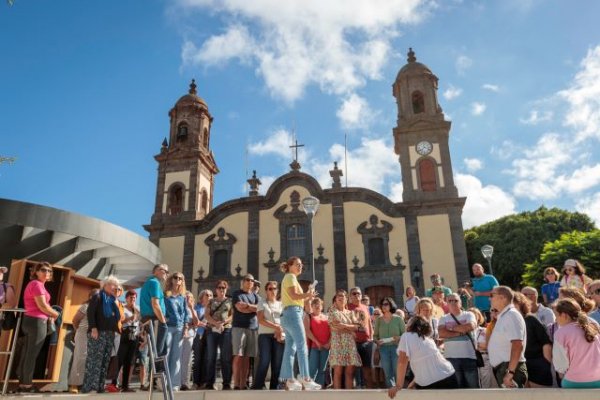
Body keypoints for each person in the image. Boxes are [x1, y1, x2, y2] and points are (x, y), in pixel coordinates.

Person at [16, 262, 60, 393]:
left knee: (28, 352)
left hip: (31, 321)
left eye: (49, 271)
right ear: (36, 271)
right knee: (32, 354)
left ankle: (23, 383)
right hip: (36, 322)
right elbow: (42, 306)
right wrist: (56, 314)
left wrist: (50, 314)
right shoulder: (36, 284)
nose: (47, 273)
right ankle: (27, 385)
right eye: (43, 270)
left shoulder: (36, 285)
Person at [387, 316, 457, 398]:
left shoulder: (406, 336)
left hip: (432, 383)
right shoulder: (429, 340)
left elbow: (402, 362)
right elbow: (427, 364)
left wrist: (398, 386)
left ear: (410, 325)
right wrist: (414, 382)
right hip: (449, 376)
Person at [278, 256, 320, 390]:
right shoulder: (290, 277)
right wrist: (307, 295)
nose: (300, 266)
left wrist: (308, 296)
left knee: (291, 348)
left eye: (301, 265)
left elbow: (300, 302)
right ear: (289, 266)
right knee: (302, 346)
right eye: (297, 264)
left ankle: (289, 379)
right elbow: (294, 296)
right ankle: (305, 377)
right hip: (292, 314)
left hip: (291, 314)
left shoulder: (291, 278)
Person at [81, 275, 122, 393]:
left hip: (109, 334)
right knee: (94, 359)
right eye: (113, 285)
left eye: (116, 285)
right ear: (105, 285)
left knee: (105, 360)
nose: (115, 287)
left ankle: (99, 386)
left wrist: (115, 300)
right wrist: (93, 327)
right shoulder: (97, 296)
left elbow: (118, 317)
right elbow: (90, 312)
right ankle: (90, 386)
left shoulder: (112, 300)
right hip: (98, 332)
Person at [552, 298, 600, 388]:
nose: (555, 320)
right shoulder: (594, 327)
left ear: (564, 315)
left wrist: (563, 376)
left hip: (574, 382)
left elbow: (560, 365)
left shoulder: (560, 333)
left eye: (556, 315)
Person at [487, 286, 527, 388]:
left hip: (510, 368)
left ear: (503, 298)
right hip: (506, 368)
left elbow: (517, 345)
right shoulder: (505, 315)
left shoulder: (511, 315)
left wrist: (510, 372)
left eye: (492, 295)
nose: (489, 298)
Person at [438, 293, 479, 388]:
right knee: (457, 388)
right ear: (447, 303)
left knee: (474, 388)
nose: (453, 302)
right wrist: (459, 332)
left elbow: (470, 326)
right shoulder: (443, 318)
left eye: (455, 300)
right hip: (451, 358)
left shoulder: (469, 314)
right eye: (450, 301)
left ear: (460, 303)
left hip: (469, 357)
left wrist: (450, 328)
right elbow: (441, 333)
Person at [513, 292, 552, 388]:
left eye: (513, 303)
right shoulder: (508, 322)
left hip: (537, 365)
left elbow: (545, 343)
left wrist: (546, 364)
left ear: (521, 304)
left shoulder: (531, 319)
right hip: (519, 366)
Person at [253, 281, 284, 390]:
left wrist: (280, 329)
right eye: (270, 289)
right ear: (266, 291)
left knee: (277, 363)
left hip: (278, 336)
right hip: (265, 336)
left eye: (274, 288)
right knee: (265, 361)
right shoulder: (262, 303)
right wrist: (276, 327)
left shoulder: (281, 304)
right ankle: (257, 386)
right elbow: (261, 320)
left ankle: (274, 388)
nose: (272, 291)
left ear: (277, 290)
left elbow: (284, 320)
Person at [328, 289, 362, 389]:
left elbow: (358, 327)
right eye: (339, 295)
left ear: (346, 299)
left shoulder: (351, 313)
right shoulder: (332, 311)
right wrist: (350, 329)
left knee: (350, 372)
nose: (341, 297)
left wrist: (344, 326)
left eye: (343, 296)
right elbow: (335, 326)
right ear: (335, 299)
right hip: (338, 343)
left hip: (350, 344)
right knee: (338, 371)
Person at [68, 288, 100, 393]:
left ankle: (84, 384)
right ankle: (74, 384)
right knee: (80, 359)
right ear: (91, 297)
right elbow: (75, 320)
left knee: (90, 360)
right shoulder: (85, 307)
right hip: (83, 334)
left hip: (94, 337)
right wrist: (79, 331)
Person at [231, 274, 260, 390]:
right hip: (239, 327)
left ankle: (243, 383)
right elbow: (238, 307)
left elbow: (258, 309)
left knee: (247, 357)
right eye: (247, 280)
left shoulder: (255, 296)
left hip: (252, 327)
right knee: (238, 355)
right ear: (243, 282)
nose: (250, 282)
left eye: (252, 280)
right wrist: (251, 308)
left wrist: (247, 306)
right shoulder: (237, 294)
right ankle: (236, 383)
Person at [204, 280, 233, 390]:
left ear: (226, 289)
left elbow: (232, 315)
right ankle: (210, 383)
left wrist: (223, 323)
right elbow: (206, 315)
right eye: (219, 287)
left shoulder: (230, 300)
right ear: (216, 289)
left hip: (226, 330)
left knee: (225, 357)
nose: (221, 289)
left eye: (223, 288)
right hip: (212, 330)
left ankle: (226, 383)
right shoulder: (211, 301)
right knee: (211, 357)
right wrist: (215, 323)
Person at [164, 272, 190, 391]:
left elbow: (185, 314)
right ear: (171, 280)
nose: (178, 280)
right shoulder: (165, 295)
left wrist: (186, 328)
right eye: (176, 277)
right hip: (168, 327)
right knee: (166, 355)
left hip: (179, 328)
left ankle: (174, 384)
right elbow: (160, 308)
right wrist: (164, 318)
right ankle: (163, 382)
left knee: (176, 357)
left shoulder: (182, 297)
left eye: (180, 278)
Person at [111, 289, 140, 392]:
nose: (133, 299)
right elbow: (119, 321)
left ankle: (125, 385)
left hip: (134, 335)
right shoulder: (122, 308)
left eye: (134, 298)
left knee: (130, 361)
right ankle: (113, 383)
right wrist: (130, 318)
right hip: (124, 333)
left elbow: (139, 322)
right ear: (126, 298)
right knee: (120, 359)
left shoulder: (137, 309)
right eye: (131, 297)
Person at [374, 297, 405, 388]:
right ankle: (391, 392)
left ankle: (399, 393)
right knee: (388, 373)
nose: (384, 306)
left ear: (391, 305)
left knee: (397, 372)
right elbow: (375, 335)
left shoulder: (398, 319)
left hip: (396, 348)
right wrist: (377, 341)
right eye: (382, 304)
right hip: (383, 349)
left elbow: (405, 335)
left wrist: (398, 338)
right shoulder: (379, 320)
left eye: (386, 304)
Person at [347, 286, 375, 389]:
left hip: (366, 343)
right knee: (350, 371)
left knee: (367, 371)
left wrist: (371, 338)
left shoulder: (365, 307)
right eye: (354, 293)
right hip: (352, 343)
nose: (356, 295)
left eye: (358, 293)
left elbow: (369, 323)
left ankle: (370, 395)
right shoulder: (346, 307)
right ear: (350, 296)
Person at [140, 264, 169, 357]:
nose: (166, 273)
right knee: (155, 353)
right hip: (154, 320)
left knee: (151, 351)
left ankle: (151, 371)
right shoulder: (154, 283)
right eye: (163, 270)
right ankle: (152, 372)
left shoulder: (149, 282)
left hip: (149, 320)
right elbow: (155, 304)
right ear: (155, 271)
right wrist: (163, 321)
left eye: (167, 271)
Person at [468, 307, 497, 388]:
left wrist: (474, 344)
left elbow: (488, 346)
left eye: (475, 315)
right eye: (470, 315)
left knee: (485, 384)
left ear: (479, 317)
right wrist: (478, 345)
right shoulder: (464, 332)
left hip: (483, 359)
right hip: (470, 359)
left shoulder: (484, 330)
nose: (472, 317)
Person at [305, 297, 330, 388]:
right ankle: (309, 389)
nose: (317, 305)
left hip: (326, 347)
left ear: (322, 306)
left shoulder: (327, 317)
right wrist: (317, 342)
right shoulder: (308, 316)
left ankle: (319, 390)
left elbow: (332, 332)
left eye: (319, 304)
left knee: (322, 370)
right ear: (311, 306)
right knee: (312, 369)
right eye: (314, 303)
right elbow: (307, 331)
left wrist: (329, 343)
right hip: (315, 347)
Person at [192, 289, 212, 389]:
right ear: (201, 297)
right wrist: (205, 323)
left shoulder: (213, 308)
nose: (209, 297)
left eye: (210, 295)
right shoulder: (197, 307)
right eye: (207, 295)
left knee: (207, 359)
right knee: (198, 359)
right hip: (199, 335)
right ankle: (196, 382)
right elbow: (195, 321)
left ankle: (204, 382)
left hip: (209, 335)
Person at [180, 291, 199, 391]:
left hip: (190, 336)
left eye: (190, 297)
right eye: (186, 297)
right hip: (180, 336)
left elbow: (196, 323)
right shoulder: (180, 308)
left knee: (187, 360)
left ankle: (185, 382)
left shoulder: (193, 310)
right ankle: (177, 381)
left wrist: (191, 308)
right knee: (178, 359)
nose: (188, 299)